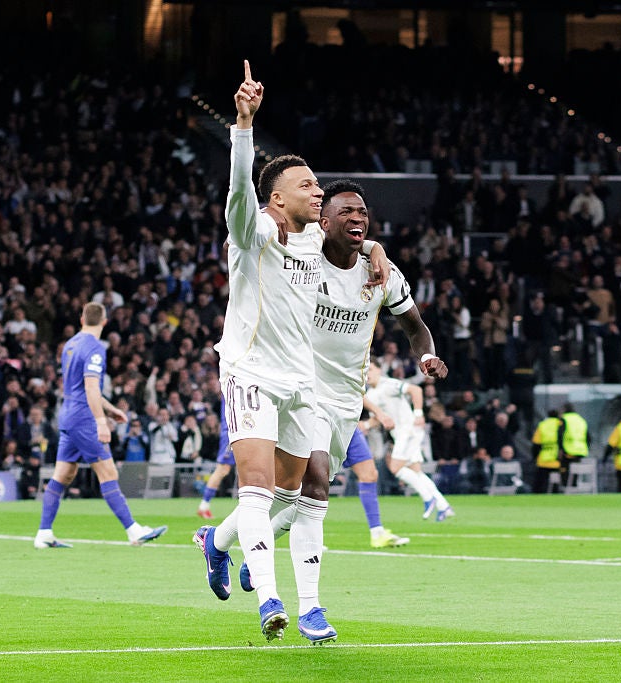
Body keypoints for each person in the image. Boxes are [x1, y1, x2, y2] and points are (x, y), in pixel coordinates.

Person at [192, 63, 388, 645]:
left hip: (302, 382)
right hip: (248, 370)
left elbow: (354, 236)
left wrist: (373, 245)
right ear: (277, 199)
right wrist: (243, 126)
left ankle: (218, 544)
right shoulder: (251, 232)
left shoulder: (309, 239)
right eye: (308, 188)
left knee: (296, 492)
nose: (318, 194)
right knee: (254, 485)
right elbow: (237, 192)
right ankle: (276, 601)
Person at [34, 302, 168, 549]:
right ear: (105, 322)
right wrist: (100, 422)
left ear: (81, 319)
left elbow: (76, 387)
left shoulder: (70, 345)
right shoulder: (95, 348)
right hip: (84, 420)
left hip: (68, 416)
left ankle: (44, 533)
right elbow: (91, 387)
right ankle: (134, 530)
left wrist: (110, 409)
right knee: (108, 473)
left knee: (63, 474)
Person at [365, 360, 452, 520]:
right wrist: (365, 425)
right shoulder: (370, 395)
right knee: (416, 471)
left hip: (408, 430)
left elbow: (415, 389)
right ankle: (443, 506)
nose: (367, 373)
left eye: (370, 369)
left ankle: (428, 498)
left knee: (395, 468)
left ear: (379, 369)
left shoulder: (389, 384)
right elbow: (377, 420)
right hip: (400, 434)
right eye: (365, 370)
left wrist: (418, 413)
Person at [196, 398, 235, 519]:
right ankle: (203, 506)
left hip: (239, 430)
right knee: (222, 469)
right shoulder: (230, 384)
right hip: (231, 432)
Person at [531, 408, 564, 493]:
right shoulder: (560, 424)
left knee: (539, 484)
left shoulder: (542, 425)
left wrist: (534, 457)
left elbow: (536, 443)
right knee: (555, 484)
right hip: (557, 459)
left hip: (543, 459)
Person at [559, 403, 590, 489]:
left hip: (568, 450)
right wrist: (586, 447)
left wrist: (560, 449)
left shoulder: (564, 419)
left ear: (564, 410)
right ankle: (574, 489)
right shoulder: (581, 420)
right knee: (575, 473)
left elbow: (560, 435)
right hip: (580, 450)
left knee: (565, 472)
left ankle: (566, 490)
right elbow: (588, 437)